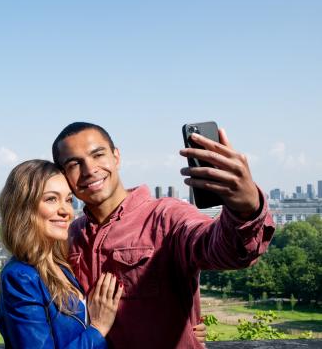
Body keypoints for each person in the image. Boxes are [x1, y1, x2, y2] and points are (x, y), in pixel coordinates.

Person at [52, 122, 275, 348]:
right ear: (63, 175)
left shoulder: (166, 217)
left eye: (98, 155)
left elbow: (223, 250)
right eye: (74, 164)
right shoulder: (69, 236)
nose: (90, 169)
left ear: (116, 157)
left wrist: (246, 209)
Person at [0, 159, 123, 348]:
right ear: (23, 207)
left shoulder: (62, 266)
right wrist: (98, 328)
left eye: (69, 200)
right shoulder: (20, 276)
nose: (66, 211)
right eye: (51, 199)